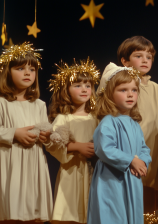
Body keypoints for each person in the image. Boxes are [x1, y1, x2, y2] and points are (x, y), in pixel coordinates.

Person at [87, 63, 152, 224]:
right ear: (109, 94)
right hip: (112, 180)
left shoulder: (134, 124)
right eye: (123, 90)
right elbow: (104, 148)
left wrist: (142, 160)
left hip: (131, 178)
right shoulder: (108, 122)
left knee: (131, 215)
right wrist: (130, 160)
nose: (130, 94)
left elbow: (144, 147)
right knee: (113, 215)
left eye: (134, 90)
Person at [0, 42, 53, 223]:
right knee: (10, 209)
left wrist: (46, 136)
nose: (28, 73)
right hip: (9, 161)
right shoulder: (2, 103)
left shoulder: (38, 104)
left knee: (32, 211)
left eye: (32, 69)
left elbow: (44, 130)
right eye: (21, 68)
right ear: (7, 72)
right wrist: (14, 133)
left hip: (33, 162)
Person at [45, 58, 100, 224]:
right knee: (70, 212)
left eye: (88, 86)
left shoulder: (97, 118)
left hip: (93, 171)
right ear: (66, 90)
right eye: (77, 85)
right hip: (72, 172)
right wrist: (76, 146)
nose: (84, 89)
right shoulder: (63, 118)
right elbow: (52, 143)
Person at [117, 36, 158, 212]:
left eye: (149, 56)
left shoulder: (154, 88)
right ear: (125, 61)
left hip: (152, 151)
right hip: (129, 151)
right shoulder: (119, 86)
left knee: (149, 203)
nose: (145, 60)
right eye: (139, 56)